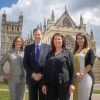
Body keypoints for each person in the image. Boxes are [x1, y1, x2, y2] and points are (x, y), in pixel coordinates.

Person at [42, 33, 75, 100]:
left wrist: (72, 84)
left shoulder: (68, 53)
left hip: (64, 84)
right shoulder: (49, 54)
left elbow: (72, 69)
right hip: (50, 84)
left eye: (59, 39)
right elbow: (45, 70)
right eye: (55, 39)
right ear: (53, 41)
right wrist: (44, 84)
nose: (57, 41)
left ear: (62, 40)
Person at [23, 28, 50, 100]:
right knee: (32, 98)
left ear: (41, 35)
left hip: (43, 79)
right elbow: (25, 63)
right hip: (31, 78)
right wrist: (33, 74)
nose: (37, 36)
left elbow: (49, 63)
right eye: (35, 35)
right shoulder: (28, 48)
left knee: (43, 98)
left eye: (39, 34)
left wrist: (41, 74)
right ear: (33, 36)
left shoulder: (48, 47)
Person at [73, 33, 96, 100]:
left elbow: (90, 64)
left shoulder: (89, 50)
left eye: (81, 38)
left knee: (85, 97)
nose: (79, 40)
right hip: (77, 77)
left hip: (86, 77)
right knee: (77, 97)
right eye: (78, 39)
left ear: (85, 39)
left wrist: (81, 74)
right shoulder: (75, 51)